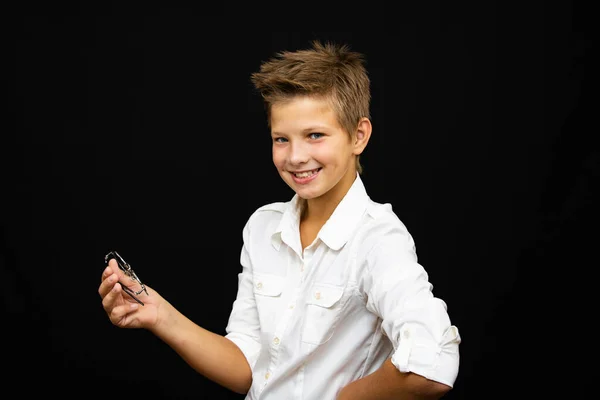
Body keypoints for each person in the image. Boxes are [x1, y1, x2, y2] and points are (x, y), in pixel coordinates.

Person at [98, 40, 461, 400]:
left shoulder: (378, 237)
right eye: (281, 139)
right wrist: (159, 315)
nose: (296, 156)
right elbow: (248, 369)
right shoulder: (263, 227)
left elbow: (432, 365)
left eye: (315, 135)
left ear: (359, 135)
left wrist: (343, 399)